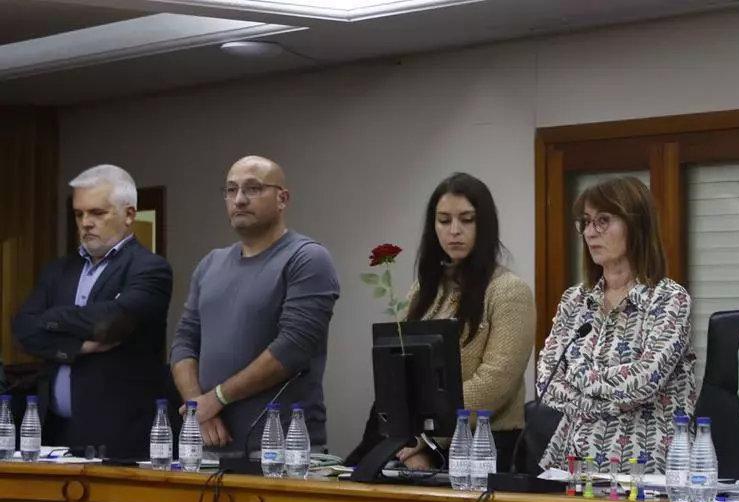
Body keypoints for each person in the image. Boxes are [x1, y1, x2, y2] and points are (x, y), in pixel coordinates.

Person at [349, 173, 536, 471]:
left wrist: (428, 436)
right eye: (444, 220)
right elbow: (398, 368)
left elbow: (495, 384)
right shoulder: (423, 291)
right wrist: (411, 438)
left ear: (484, 225)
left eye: (466, 219)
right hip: (415, 442)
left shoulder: (509, 290)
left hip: (484, 445)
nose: (455, 231)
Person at [170, 156, 340, 455]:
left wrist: (217, 398)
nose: (239, 199)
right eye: (231, 190)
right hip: (209, 444)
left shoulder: (307, 258)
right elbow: (183, 342)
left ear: (282, 198)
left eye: (253, 189)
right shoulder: (210, 263)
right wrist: (198, 407)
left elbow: (293, 347)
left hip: (281, 448)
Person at [12, 164, 172, 458]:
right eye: (79, 213)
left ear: (129, 215)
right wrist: (77, 347)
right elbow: (23, 329)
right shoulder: (58, 270)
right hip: (53, 431)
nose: (86, 223)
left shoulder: (150, 269)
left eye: (98, 213)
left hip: (117, 436)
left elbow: (112, 323)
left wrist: (52, 317)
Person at [536, 176, 695, 473]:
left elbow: (642, 382)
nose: (590, 233)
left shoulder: (669, 299)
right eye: (585, 222)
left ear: (636, 225)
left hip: (647, 470)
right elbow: (546, 380)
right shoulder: (575, 300)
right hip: (574, 464)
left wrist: (580, 379)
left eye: (603, 221)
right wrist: (606, 402)